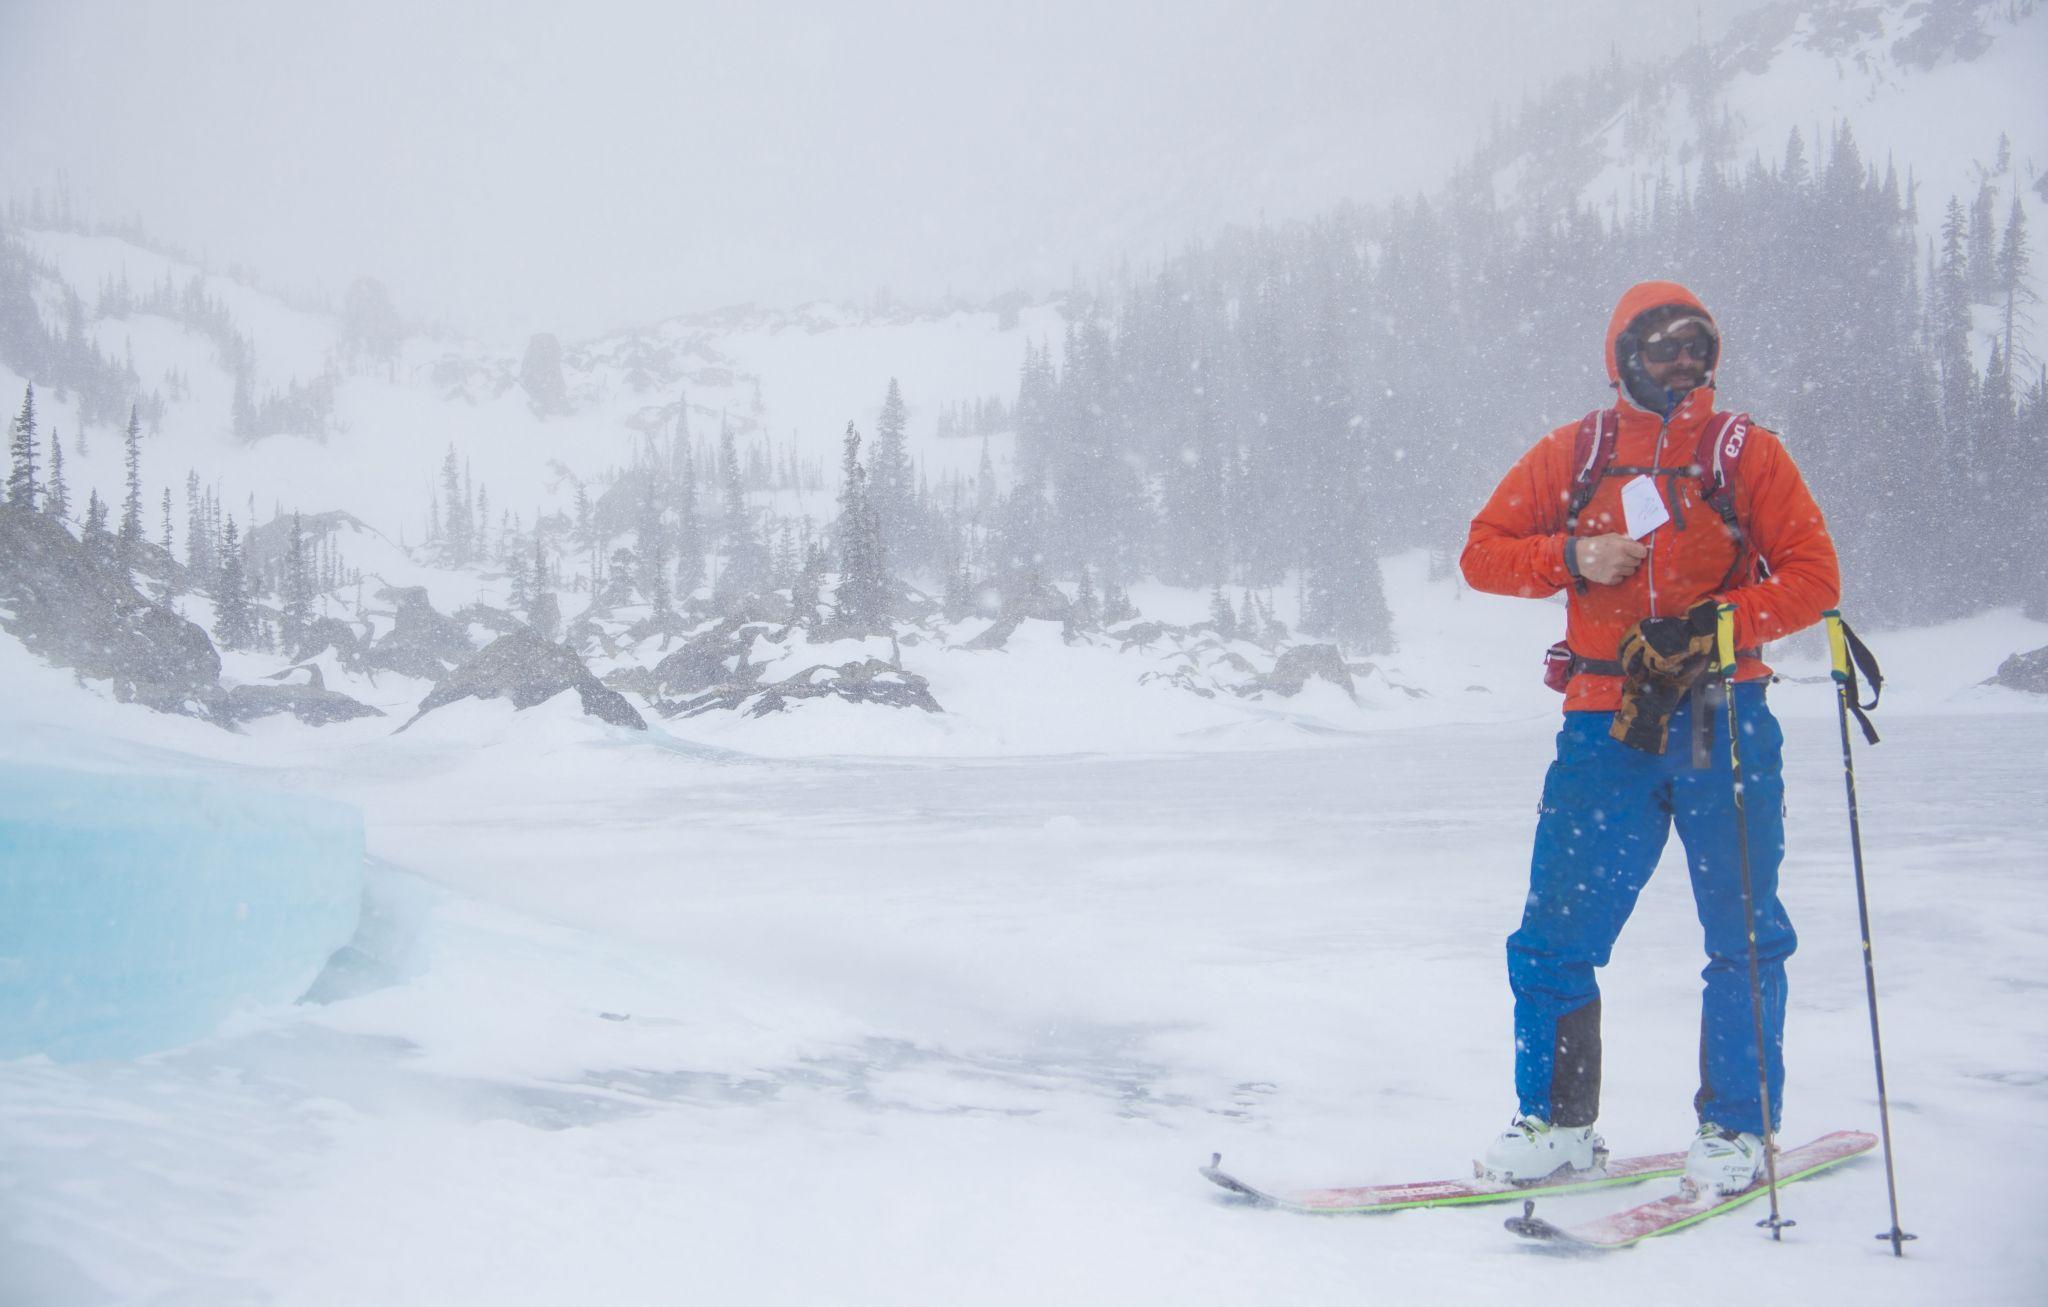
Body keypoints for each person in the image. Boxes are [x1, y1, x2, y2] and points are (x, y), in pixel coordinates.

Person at [1458, 280, 1841, 1195]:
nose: (1683, 359)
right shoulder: (1577, 453)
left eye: (1698, 342)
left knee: (1743, 932)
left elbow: (1814, 576)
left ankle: (1738, 1130)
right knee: (1555, 932)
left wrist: (1711, 629)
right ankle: (1557, 1125)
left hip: (1718, 714)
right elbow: (1481, 553)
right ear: (1623, 354)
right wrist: (1572, 557)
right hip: (1606, 724)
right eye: (1664, 343)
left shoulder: (1745, 451)